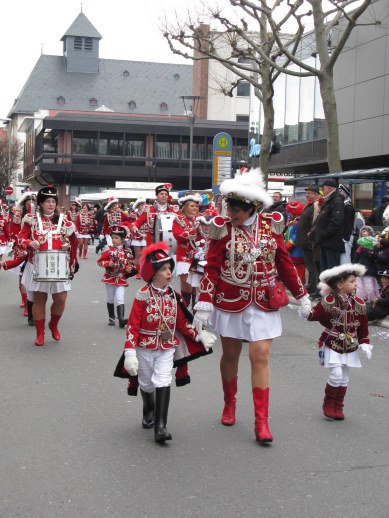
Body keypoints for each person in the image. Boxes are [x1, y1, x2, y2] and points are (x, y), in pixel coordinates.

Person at [193, 168, 310, 443]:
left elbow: (284, 263)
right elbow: (212, 268)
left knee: (260, 355)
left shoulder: (272, 226)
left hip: (265, 300)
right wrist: (204, 301)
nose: (231, 213)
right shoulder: (222, 227)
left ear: (252, 207)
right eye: (229, 207)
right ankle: (230, 403)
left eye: (237, 210)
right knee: (231, 354)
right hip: (231, 299)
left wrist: (302, 296)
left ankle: (261, 421)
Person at [120, 242, 216, 443]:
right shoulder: (142, 296)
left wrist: (200, 335)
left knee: (163, 380)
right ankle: (148, 407)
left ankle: (160, 426)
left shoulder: (175, 296)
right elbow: (133, 327)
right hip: (144, 347)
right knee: (146, 383)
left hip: (166, 347)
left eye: (169, 268)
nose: (168, 272)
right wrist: (129, 353)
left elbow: (182, 324)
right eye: (163, 269)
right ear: (153, 273)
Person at [300, 263, 372, 420]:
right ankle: (328, 403)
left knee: (345, 377)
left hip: (350, 344)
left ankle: (338, 406)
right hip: (332, 342)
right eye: (351, 281)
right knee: (336, 374)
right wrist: (306, 310)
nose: (355, 284)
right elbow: (314, 315)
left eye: (355, 281)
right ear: (340, 284)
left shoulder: (358, 303)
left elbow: (363, 325)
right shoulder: (329, 301)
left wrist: (365, 342)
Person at [18, 185, 79, 346]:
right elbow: (20, 239)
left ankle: (54, 324)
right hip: (37, 265)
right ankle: (40, 333)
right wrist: (30, 242)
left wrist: (69, 250)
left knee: (60, 299)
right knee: (40, 300)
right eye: (47, 201)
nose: (51, 204)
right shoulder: (31, 220)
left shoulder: (65, 221)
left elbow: (73, 242)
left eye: (53, 201)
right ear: (41, 203)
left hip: (59, 266)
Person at [97, 226, 137, 327]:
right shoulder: (108, 250)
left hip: (121, 278)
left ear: (122, 239)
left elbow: (131, 263)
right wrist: (107, 263)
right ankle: (111, 317)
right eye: (113, 237)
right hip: (110, 277)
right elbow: (100, 261)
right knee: (110, 298)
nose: (114, 240)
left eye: (116, 238)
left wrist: (129, 268)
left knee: (120, 298)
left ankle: (121, 320)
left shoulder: (127, 252)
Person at [172, 192, 202, 308]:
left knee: (195, 285)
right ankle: (184, 313)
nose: (195, 208)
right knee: (186, 284)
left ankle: (195, 313)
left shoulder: (200, 220)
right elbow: (178, 235)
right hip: (184, 255)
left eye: (196, 206)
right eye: (192, 206)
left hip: (197, 256)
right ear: (184, 207)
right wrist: (194, 231)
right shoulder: (178, 220)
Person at [314, 179, 345, 272]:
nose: (322, 191)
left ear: (329, 188)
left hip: (331, 241)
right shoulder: (329, 200)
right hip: (325, 241)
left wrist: (324, 234)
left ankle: (333, 286)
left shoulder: (337, 201)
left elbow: (336, 221)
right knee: (325, 269)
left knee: (332, 270)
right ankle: (326, 286)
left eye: (323, 188)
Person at [295, 185, 321, 295]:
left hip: (309, 241)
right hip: (304, 241)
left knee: (312, 266)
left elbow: (315, 222)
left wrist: (311, 238)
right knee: (309, 265)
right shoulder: (308, 205)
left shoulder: (316, 205)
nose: (306, 195)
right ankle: (311, 286)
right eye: (307, 193)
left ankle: (313, 287)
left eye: (309, 193)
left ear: (316, 194)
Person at [354, 227, 380, 302]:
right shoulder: (359, 247)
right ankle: (361, 300)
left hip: (370, 269)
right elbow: (356, 258)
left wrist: (371, 253)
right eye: (362, 231)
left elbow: (376, 257)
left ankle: (371, 300)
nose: (364, 233)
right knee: (360, 286)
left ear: (370, 233)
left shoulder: (373, 245)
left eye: (366, 231)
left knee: (369, 286)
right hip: (361, 269)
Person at [284, 201, 305, 284]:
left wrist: (288, 246)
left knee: (299, 269)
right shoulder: (292, 223)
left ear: (296, 214)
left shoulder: (297, 223)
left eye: (291, 213)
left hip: (297, 251)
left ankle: (299, 283)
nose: (289, 215)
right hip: (292, 251)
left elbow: (295, 236)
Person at [129, 198, 147, 280]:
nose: (142, 206)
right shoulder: (134, 214)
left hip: (145, 235)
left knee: (144, 254)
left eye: (143, 204)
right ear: (138, 206)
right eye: (140, 205)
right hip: (136, 236)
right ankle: (138, 271)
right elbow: (131, 224)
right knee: (138, 254)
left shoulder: (148, 213)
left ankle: (144, 271)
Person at [338, 184, 356, 264]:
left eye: (341, 192)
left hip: (346, 236)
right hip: (344, 236)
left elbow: (348, 223)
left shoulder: (348, 207)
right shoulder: (345, 205)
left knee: (345, 258)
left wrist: (345, 236)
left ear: (345, 193)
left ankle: (347, 275)